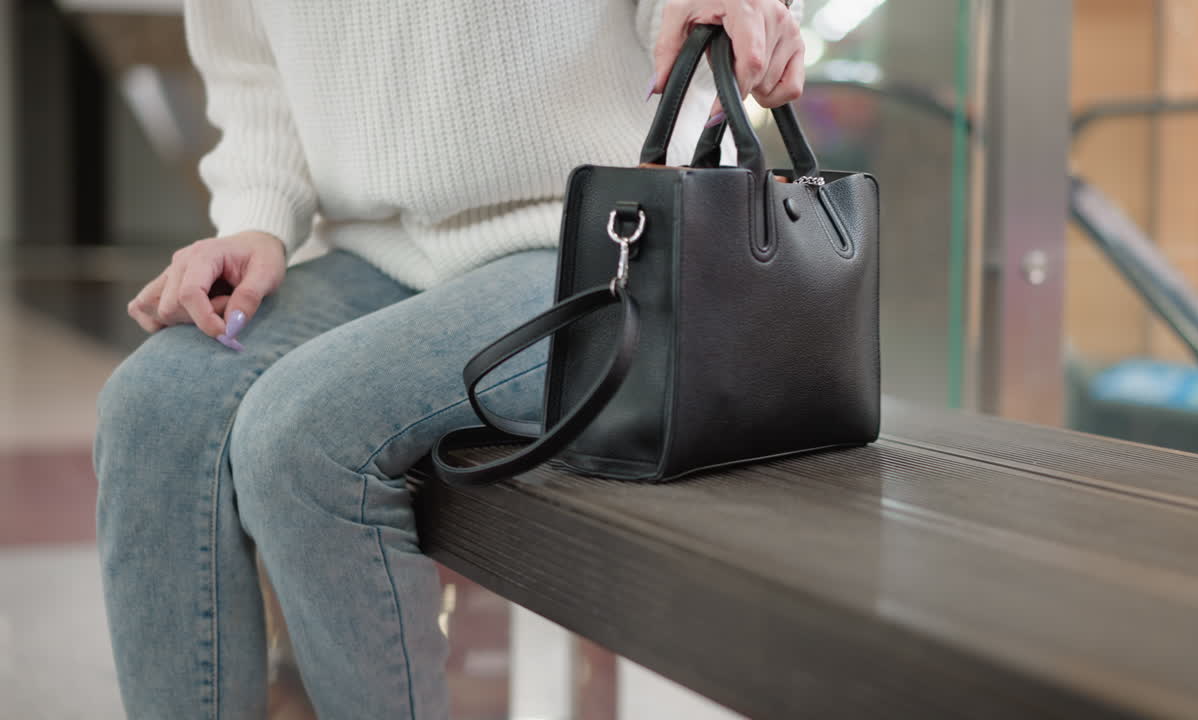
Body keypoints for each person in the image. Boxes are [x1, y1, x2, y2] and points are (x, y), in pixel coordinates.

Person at [93, 0, 805, 717]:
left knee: (300, 432)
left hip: (601, 238)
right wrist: (255, 217)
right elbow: (251, 70)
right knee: (154, 407)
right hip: (379, 246)